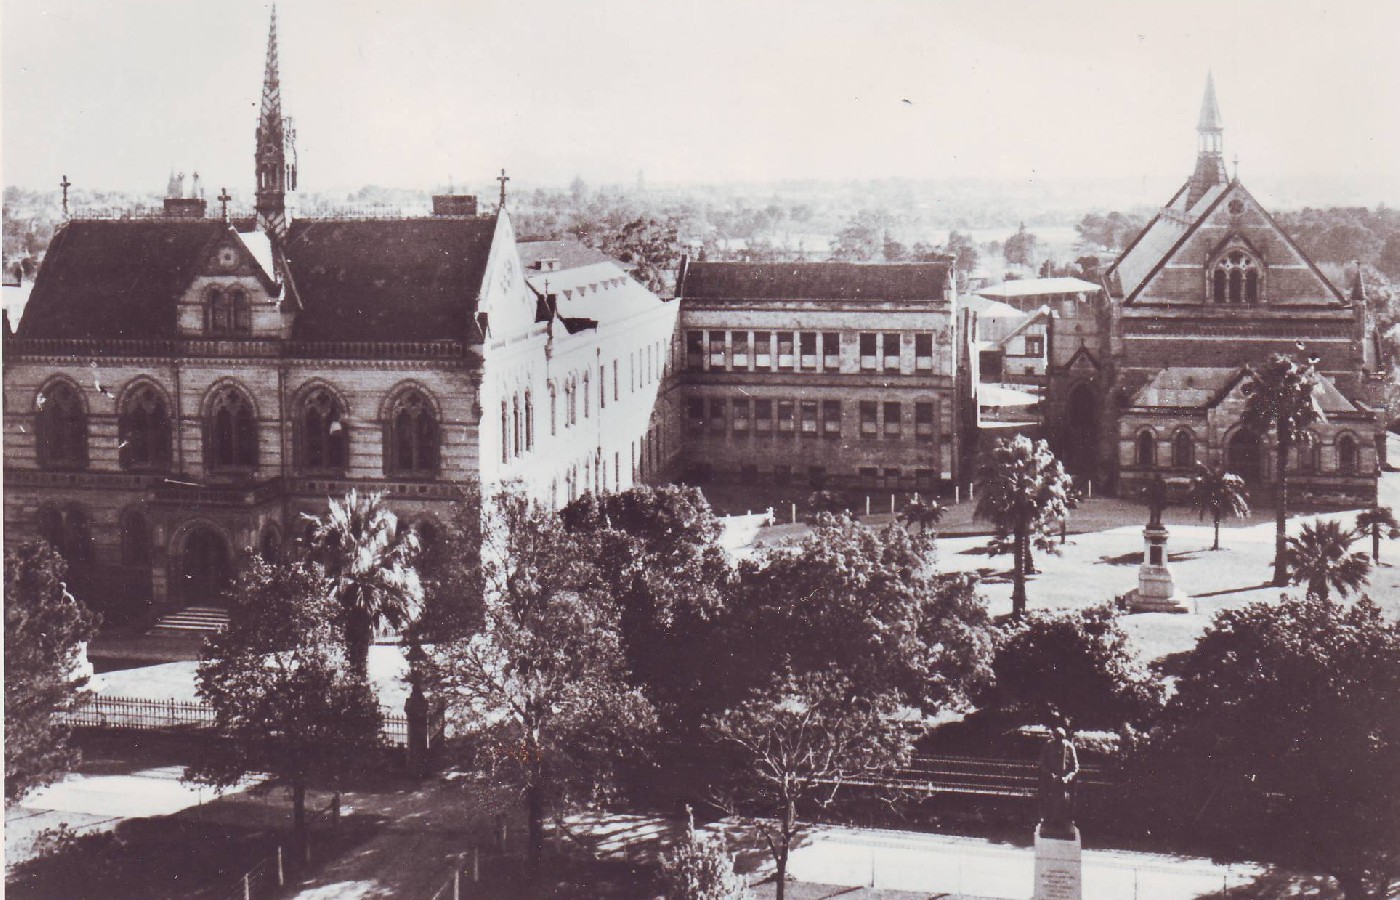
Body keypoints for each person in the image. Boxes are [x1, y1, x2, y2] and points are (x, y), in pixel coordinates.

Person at [1038, 724, 1079, 839]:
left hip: (1065, 782)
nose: (1058, 742)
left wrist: (1067, 777)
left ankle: (1063, 822)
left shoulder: (1069, 747)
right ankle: (1049, 821)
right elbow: (1041, 763)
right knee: (1050, 797)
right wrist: (1050, 774)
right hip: (1050, 781)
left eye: (1061, 739)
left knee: (1065, 800)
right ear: (1054, 737)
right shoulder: (1048, 745)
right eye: (1057, 739)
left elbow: (1075, 767)